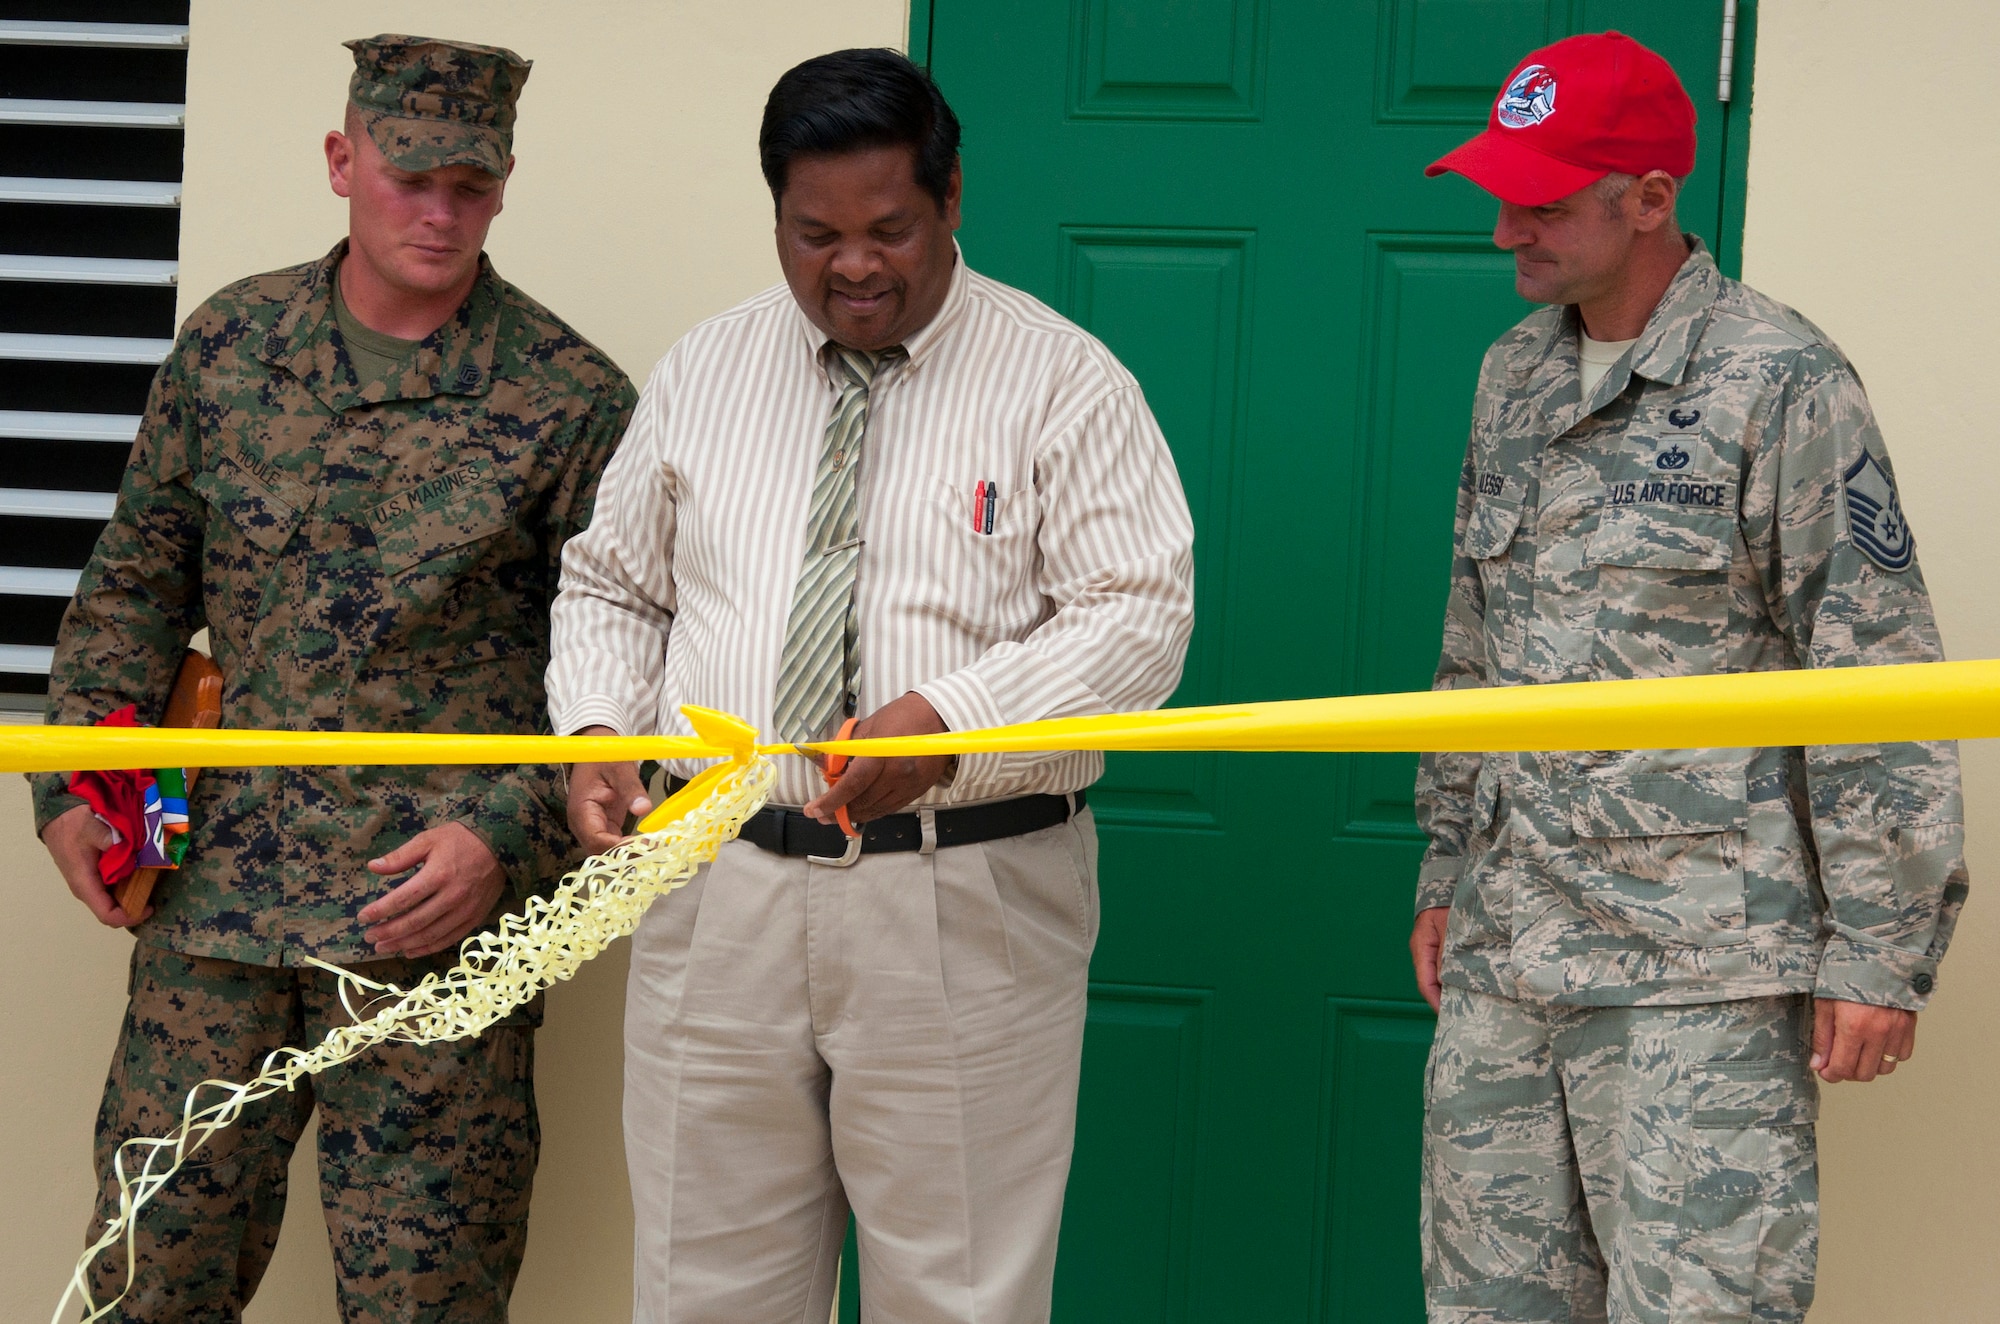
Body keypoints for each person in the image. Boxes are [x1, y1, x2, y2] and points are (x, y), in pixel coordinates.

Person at [549, 47, 1194, 1324]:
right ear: (776, 217)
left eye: (889, 228)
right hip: (714, 883)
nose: (852, 265)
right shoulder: (705, 371)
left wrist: (953, 724)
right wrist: (598, 730)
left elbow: (1141, 617)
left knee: (957, 1292)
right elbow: (615, 586)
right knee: (701, 1287)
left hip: (960, 893)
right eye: (814, 233)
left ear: (950, 199)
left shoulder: (1063, 381)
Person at [31, 35, 635, 1321]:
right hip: (215, 912)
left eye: (469, 185)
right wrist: (80, 787)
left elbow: (615, 671)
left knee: (427, 1302)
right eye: (409, 175)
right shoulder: (232, 346)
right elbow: (135, 585)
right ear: (341, 162)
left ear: (504, 183)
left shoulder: (569, 397)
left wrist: (505, 838)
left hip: (432, 930)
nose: (437, 210)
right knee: (145, 1282)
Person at [1410, 31, 1967, 1324]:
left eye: (1543, 199)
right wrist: (1446, 865)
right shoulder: (1513, 377)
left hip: (1695, 977)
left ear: (1652, 199)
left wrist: (1881, 949)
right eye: (1502, 193)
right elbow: (1471, 645)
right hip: (1507, 958)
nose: (1506, 230)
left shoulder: (1783, 384)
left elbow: (1874, 674)